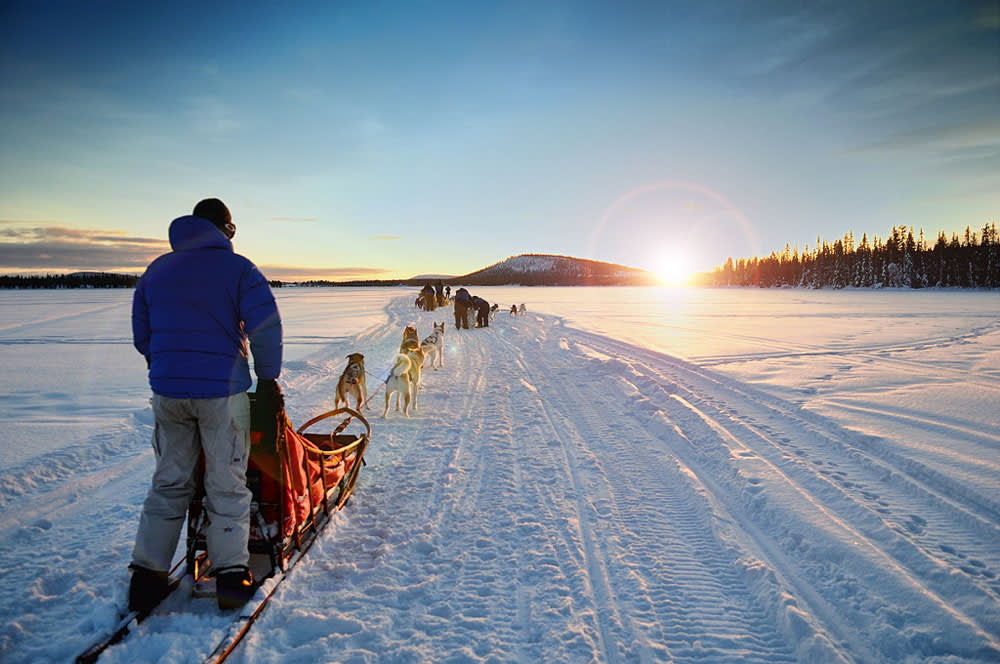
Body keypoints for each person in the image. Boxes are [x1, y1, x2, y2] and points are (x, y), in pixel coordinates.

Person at [129, 198, 283, 613]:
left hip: (168, 393)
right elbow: (266, 326)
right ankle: (232, 577)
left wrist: (167, 365)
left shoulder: (156, 271)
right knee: (226, 481)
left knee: (169, 481)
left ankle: (146, 577)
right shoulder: (239, 270)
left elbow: (143, 335)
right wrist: (267, 378)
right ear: (224, 230)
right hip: (222, 392)